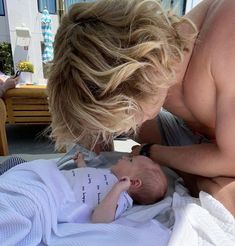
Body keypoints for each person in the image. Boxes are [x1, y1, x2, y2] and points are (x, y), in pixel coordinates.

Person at [47, 0, 235, 216]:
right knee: (91, 133)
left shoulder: (226, 32)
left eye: (128, 113)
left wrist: (152, 153)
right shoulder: (162, 67)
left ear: (140, 73)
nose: (129, 124)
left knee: (225, 199)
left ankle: (191, 176)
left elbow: (231, 160)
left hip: (226, 152)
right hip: (186, 131)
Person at [0, 152, 167, 223]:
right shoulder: (107, 174)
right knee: (16, 163)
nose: (124, 156)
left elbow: (100, 219)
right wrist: (81, 163)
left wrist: (117, 189)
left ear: (134, 182)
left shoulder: (122, 198)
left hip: (52, 193)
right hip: (49, 178)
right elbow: (86, 179)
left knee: (20, 198)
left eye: (130, 160)